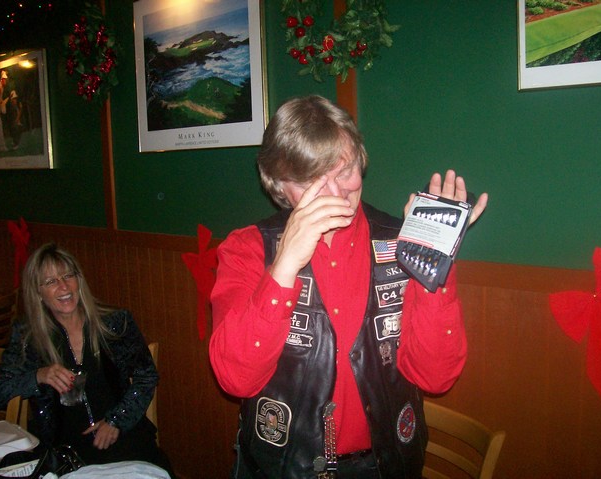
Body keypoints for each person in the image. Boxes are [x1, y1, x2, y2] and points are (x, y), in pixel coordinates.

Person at [209, 95, 488, 479]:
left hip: (384, 465)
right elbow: (236, 379)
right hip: (284, 467)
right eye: (310, 179)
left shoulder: (404, 242)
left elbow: (436, 377)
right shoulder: (246, 248)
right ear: (278, 184)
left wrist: (430, 266)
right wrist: (284, 265)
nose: (335, 194)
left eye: (345, 171)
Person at [0, 243, 173, 476]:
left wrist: (117, 420)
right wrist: (38, 376)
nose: (64, 286)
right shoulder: (28, 337)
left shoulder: (115, 323)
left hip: (122, 437)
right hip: (65, 450)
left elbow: (147, 376)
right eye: (51, 281)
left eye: (68, 276)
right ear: (38, 293)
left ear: (79, 280)